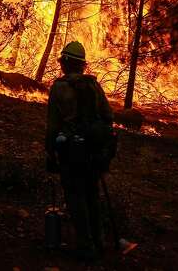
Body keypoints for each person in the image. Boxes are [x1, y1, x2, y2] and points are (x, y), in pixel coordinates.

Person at [45, 41, 114, 261]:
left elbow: (53, 125)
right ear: (82, 65)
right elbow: (108, 116)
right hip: (94, 152)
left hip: (71, 152)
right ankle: (99, 242)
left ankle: (85, 247)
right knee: (92, 195)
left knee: (75, 197)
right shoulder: (94, 86)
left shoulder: (59, 88)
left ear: (64, 63)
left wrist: (51, 151)